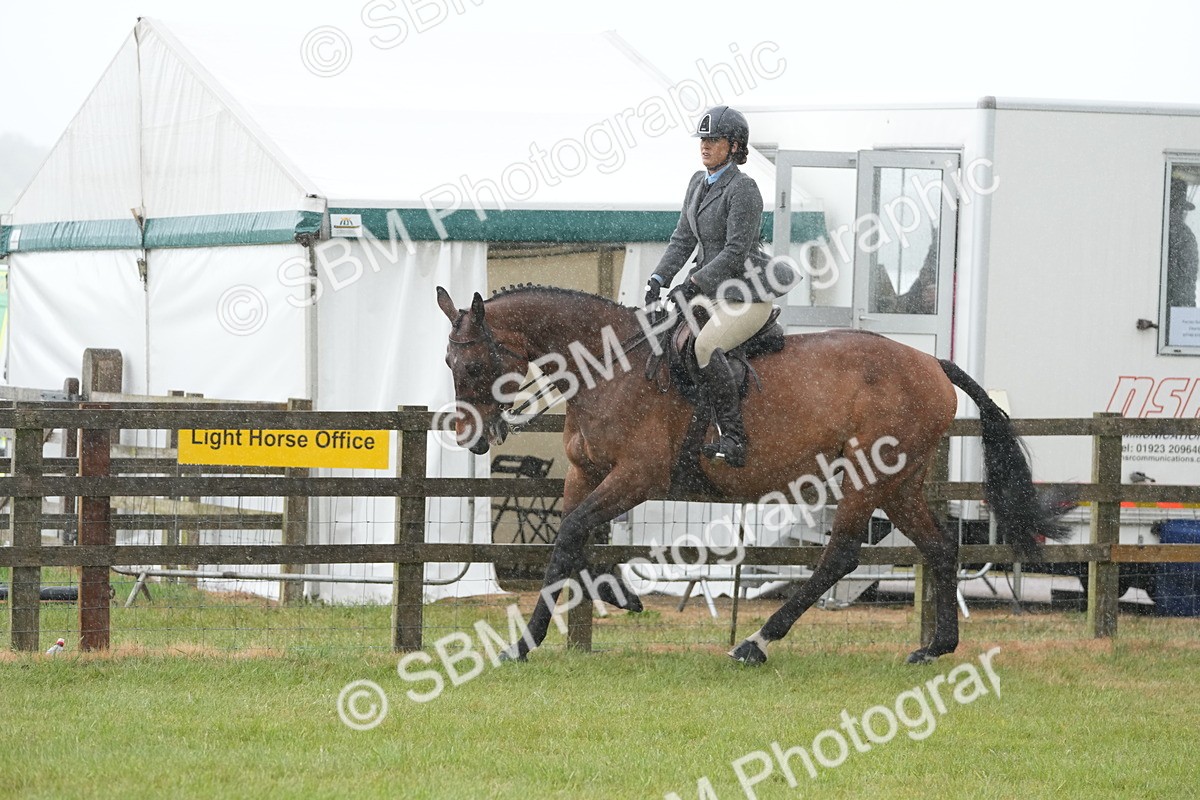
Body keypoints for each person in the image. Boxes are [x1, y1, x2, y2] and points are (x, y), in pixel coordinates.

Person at [642, 105, 775, 468]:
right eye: (703, 139)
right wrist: (658, 278)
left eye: (714, 140)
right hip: (707, 294)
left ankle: (733, 437)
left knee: (705, 346)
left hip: (743, 295)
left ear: (734, 146)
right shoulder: (697, 184)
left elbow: (735, 252)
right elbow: (683, 239)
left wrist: (693, 283)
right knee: (663, 340)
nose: (705, 145)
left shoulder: (744, 189)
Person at [1166, 177, 1198, 313]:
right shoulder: (1183, 235)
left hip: (1173, 308)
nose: (1179, 212)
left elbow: (1187, 283)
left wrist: (1186, 314)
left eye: (1179, 208)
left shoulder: (1184, 236)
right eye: (1175, 207)